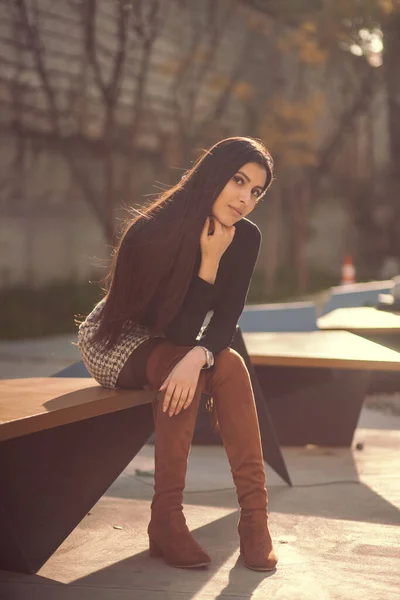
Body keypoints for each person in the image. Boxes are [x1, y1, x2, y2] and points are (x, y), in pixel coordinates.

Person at [76, 136, 278, 571]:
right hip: (114, 338)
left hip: (175, 345)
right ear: (214, 174)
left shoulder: (246, 238)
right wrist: (209, 262)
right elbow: (176, 330)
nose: (245, 198)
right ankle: (166, 517)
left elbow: (226, 320)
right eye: (238, 181)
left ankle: (255, 520)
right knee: (179, 364)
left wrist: (201, 356)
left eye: (256, 191)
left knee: (227, 364)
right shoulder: (152, 230)